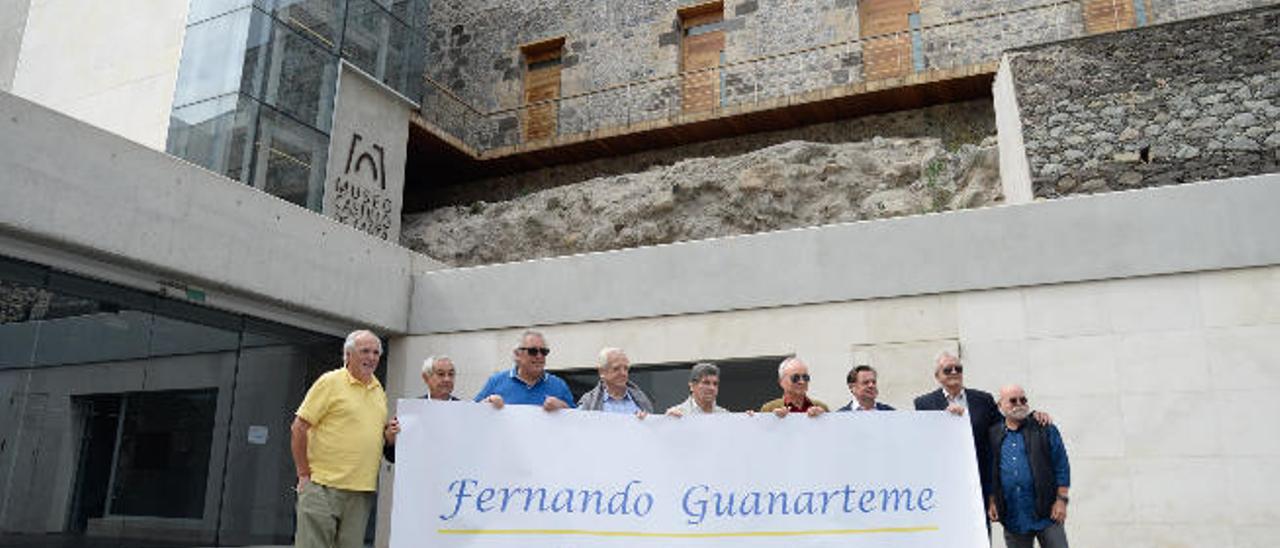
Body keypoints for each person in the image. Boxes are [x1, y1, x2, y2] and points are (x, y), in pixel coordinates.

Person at [290, 330, 397, 548]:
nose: (372, 357)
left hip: (361, 492)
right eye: (365, 351)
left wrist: (388, 436)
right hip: (322, 487)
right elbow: (298, 428)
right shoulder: (329, 382)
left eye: (376, 352)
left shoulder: (379, 390)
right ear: (348, 355)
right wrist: (303, 474)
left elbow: (370, 435)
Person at [987, 385, 1071, 548]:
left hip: (1048, 515)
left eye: (1023, 400)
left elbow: (1061, 465)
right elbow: (991, 471)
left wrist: (1061, 500)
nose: (1019, 403)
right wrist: (992, 500)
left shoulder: (1045, 428)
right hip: (1013, 518)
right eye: (1013, 400)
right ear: (1000, 405)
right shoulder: (994, 434)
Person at [474, 330, 575, 410]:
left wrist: (563, 407)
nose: (539, 356)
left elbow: (577, 421)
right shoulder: (496, 381)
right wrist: (487, 402)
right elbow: (473, 413)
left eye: (544, 351)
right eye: (533, 351)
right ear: (517, 354)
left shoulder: (558, 385)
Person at [384, 355, 459, 463]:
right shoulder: (410, 411)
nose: (447, 379)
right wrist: (391, 440)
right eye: (441, 374)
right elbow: (392, 458)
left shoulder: (465, 412)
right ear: (426, 378)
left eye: (451, 374)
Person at [577, 347, 654, 415]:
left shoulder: (641, 400)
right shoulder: (589, 403)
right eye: (616, 369)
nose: (623, 373)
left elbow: (653, 427)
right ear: (602, 372)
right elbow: (577, 426)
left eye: (626, 368)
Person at [760, 356, 829, 417]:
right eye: (795, 378)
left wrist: (823, 418)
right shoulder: (769, 409)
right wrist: (773, 420)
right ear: (781, 382)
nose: (802, 382)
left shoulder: (821, 407)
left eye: (805, 377)